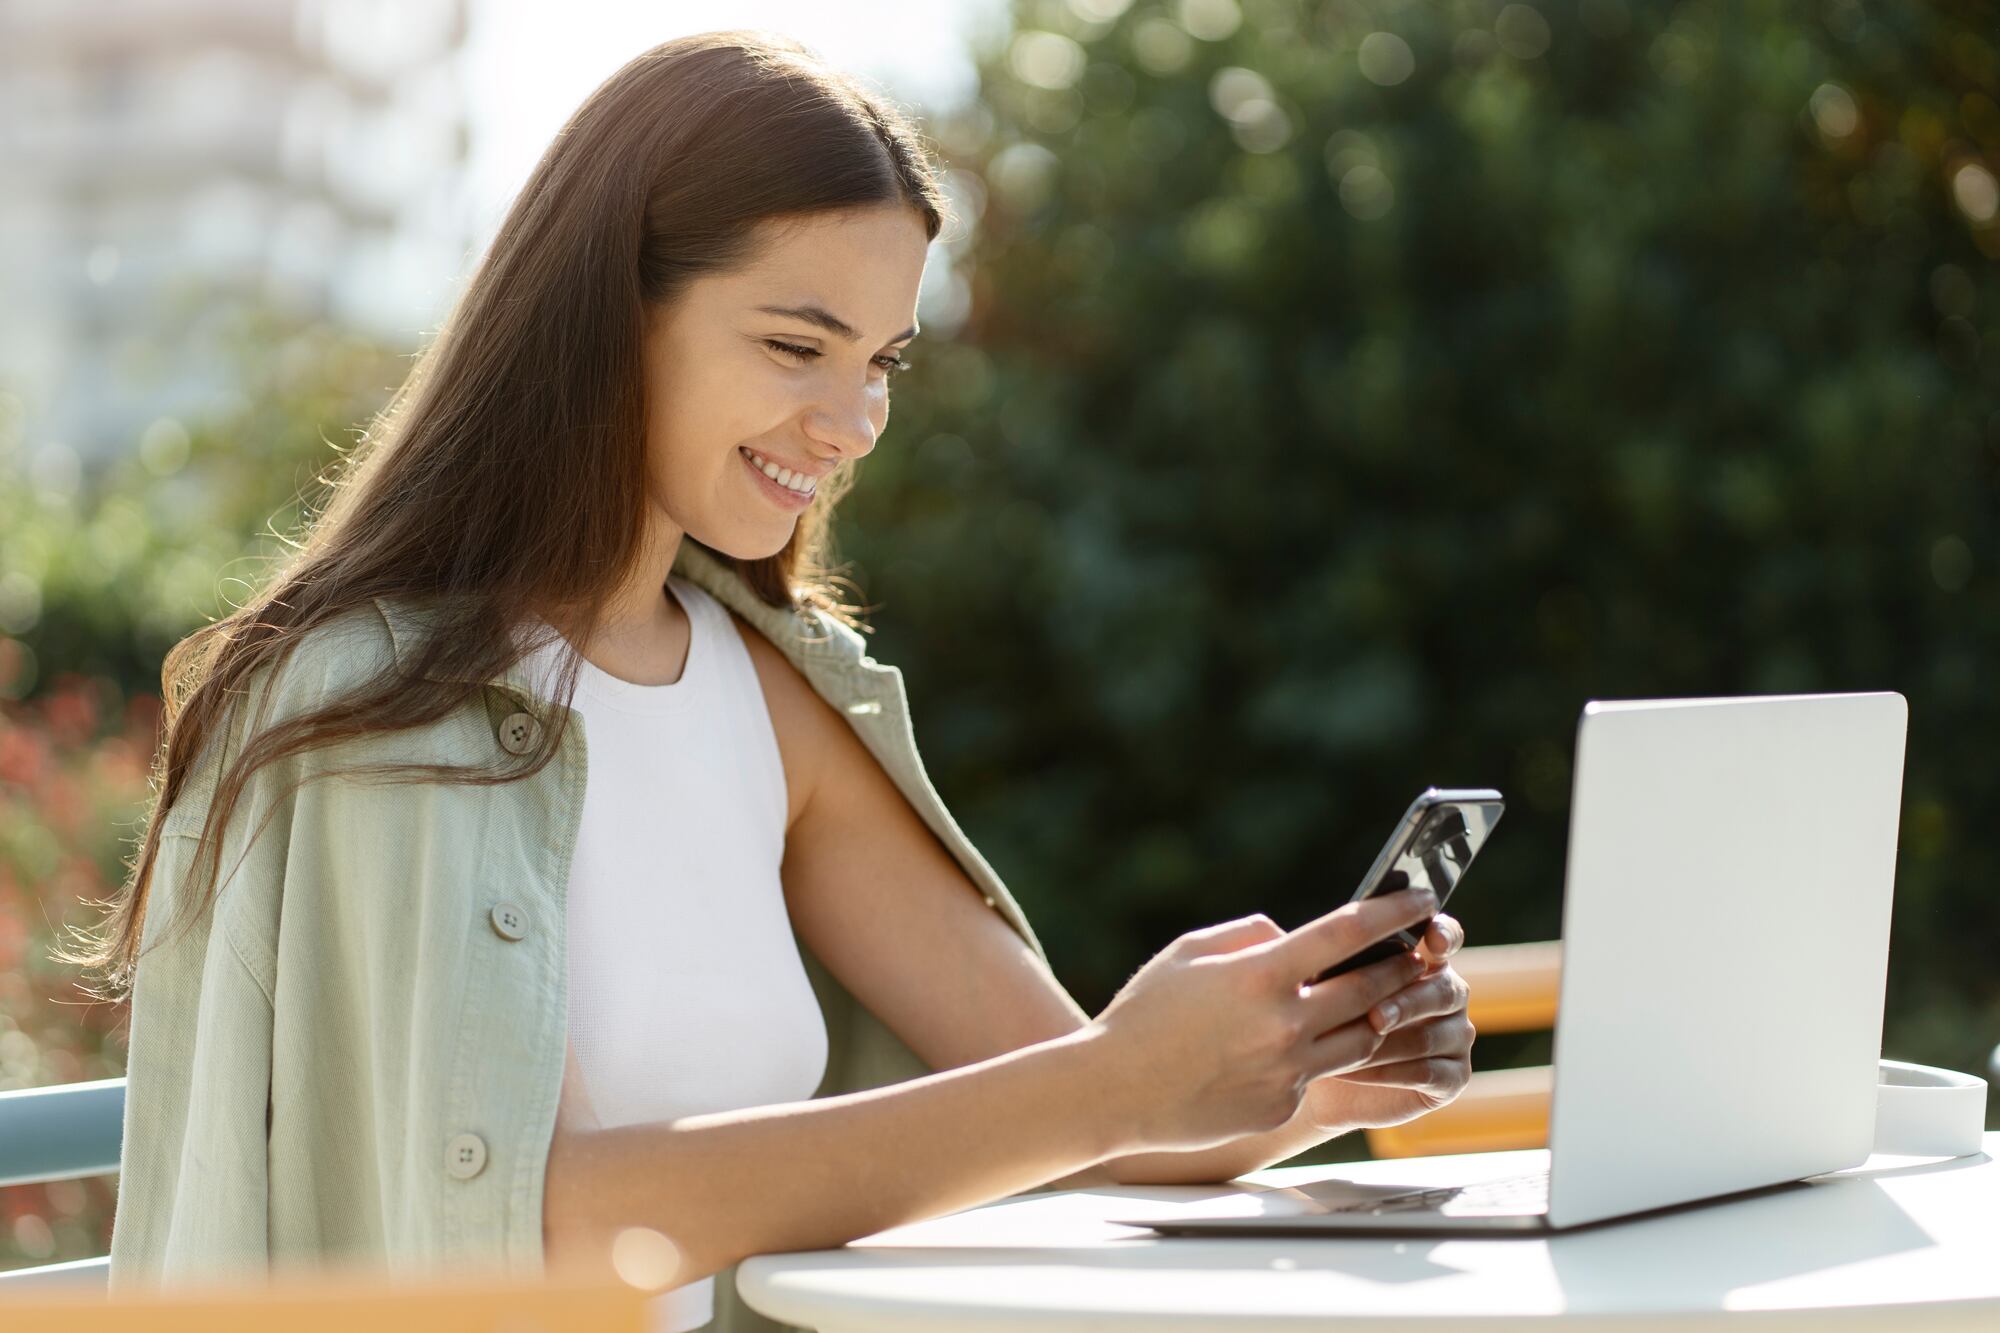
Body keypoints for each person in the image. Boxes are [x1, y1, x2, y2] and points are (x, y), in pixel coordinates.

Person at [60, 30, 1474, 1333]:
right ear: (607, 315)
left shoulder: (770, 689)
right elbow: (527, 1227)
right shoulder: (373, 708)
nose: (852, 421)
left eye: (882, 363)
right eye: (797, 345)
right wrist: (1121, 1080)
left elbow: (1078, 1092)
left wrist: (1314, 1054)